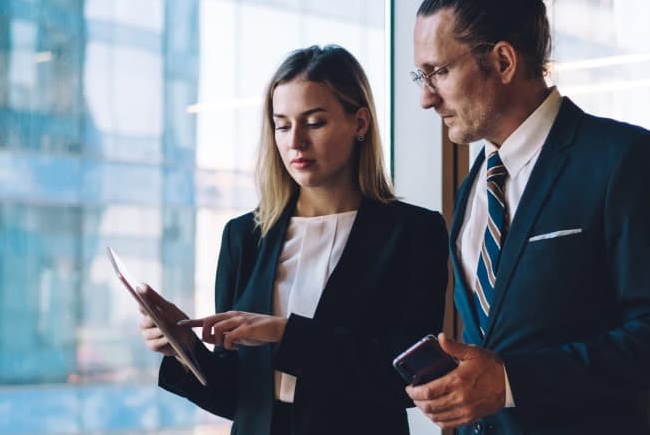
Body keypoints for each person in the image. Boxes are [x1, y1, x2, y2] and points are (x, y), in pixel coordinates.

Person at [405, 0, 650, 434]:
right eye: (420, 76)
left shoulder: (625, 160)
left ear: (503, 62)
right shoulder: (473, 187)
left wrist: (511, 381)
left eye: (438, 72)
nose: (427, 98)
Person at [138, 44, 449, 435]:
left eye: (314, 123)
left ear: (360, 123)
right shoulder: (244, 237)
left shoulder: (414, 232)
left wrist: (285, 334)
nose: (295, 142)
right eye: (282, 125)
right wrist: (184, 348)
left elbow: (407, 379)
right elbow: (236, 397)